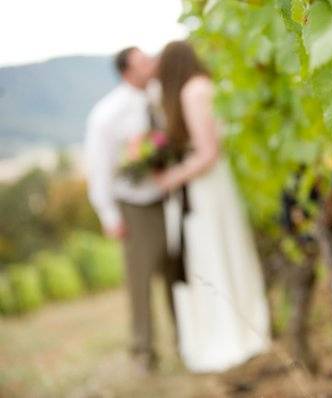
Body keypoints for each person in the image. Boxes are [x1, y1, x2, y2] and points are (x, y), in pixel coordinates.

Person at [155, 40, 271, 372]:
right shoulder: (199, 86)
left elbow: (208, 153)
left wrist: (171, 178)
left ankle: (229, 332)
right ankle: (234, 325)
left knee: (214, 254)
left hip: (206, 189)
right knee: (217, 252)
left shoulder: (193, 91)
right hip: (207, 187)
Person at [85, 47, 182, 372]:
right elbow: (100, 168)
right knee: (140, 280)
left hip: (174, 196)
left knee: (177, 272)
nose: (151, 64)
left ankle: (185, 339)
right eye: (143, 62)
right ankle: (144, 352)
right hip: (136, 205)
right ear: (127, 71)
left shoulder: (161, 96)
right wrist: (109, 215)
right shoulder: (107, 113)